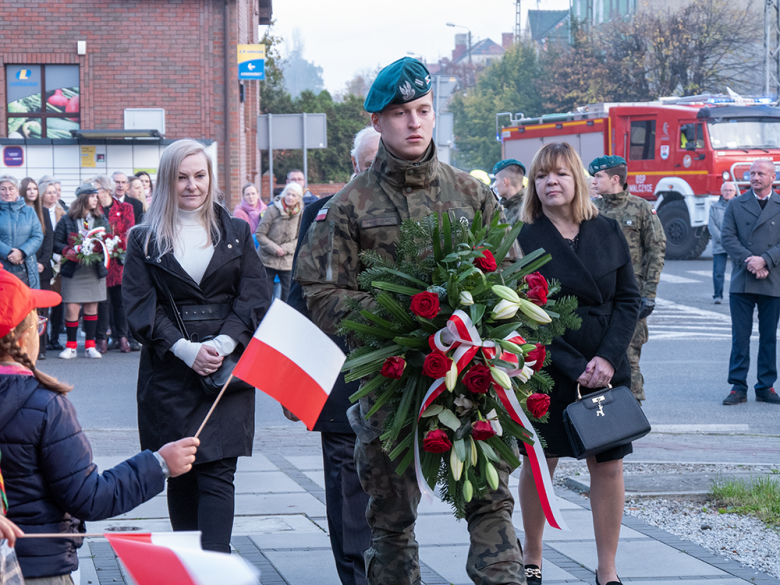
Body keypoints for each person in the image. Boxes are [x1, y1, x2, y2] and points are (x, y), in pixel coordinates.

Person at [294, 57, 524, 585]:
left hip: (469, 380)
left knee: (491, 503)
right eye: (400, 113)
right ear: (377, 122)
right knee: (391, 523)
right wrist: (401, 319)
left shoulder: (471, 194)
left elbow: (509, 278)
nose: (414, 122)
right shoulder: (349, 206)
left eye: (423, 110)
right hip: (391, 384)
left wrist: (478, 327)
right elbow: (321, 295)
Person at [0, 268, 199, 582]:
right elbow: (89, 497)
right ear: (24, 338)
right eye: (39, 324)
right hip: (37, 568)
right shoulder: (46, 406)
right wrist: (159, 463)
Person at [123, 138, 270, 553]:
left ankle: (215, 570)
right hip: (169, 371)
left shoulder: (237, 231)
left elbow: (255, 295)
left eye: (200, 175)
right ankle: (190, 570)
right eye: (182, 177)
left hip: (225, 369)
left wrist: (224, 343)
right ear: (167, 181)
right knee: (181, 473)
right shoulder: (143, 238)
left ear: (211, 178)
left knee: (219, 473)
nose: (192, 185)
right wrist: (186, 349)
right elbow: (139, 308)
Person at [517, 142, 640, 585]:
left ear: (578, 180)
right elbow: (522, 314)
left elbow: (629, 299)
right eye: (543, 175)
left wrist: (607, 358)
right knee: (540, 461)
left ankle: (607, 569)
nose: (552, 182)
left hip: (606, 366)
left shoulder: (606, 229)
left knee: (607, 466)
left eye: (561, 174)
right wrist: (575, 365)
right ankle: (532, 556)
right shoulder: (524, 237)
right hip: (550, 367)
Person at [285, 123, 381, 585]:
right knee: (346, 486)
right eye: (368, 165)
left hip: (399, 374)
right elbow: (298, 298)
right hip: (339, 372)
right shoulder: (319, 215)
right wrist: (289, 382)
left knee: (393, 488)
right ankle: (356, 578)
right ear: (354, 165)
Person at [590, 155, 666, 404]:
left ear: (615, 178)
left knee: (629, 357)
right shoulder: (592, 209)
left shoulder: (641, 208)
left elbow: (656, 250)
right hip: (598, 298)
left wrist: (649, 294)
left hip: (629, 298)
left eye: (598, 176)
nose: (594, 180)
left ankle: (631, 412)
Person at [720, 159, 780, 406]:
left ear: (772, 177)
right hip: (743, 279)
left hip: (773, 279)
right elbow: (727, 238)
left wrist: (765, 260)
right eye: (752, 173)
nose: (755, 177)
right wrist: (750, 261)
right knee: (740, 336)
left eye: (760, 173)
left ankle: (766, 386)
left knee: (768, 337)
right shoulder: (736, 204)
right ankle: (738, 386)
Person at [53, 183, 110, 360]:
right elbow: (56, 243)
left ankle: (90, 346)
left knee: (92, 307)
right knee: (71, 307)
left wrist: (102, 249)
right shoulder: (67, 219)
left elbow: (108, 240)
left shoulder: (101, 219)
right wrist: (68, 250)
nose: (96, 199)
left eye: (96, 196)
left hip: (94, 269)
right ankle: (70, 346)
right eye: (92, 196)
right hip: (73, 268)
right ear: (83, 198)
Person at [93, 176, 135, 354]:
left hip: (118, 263)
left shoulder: (125, 208)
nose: (94, 196)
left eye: (97, 191)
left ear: (107, 191)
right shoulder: (93, 210)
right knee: (102, 302)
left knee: (120, 302)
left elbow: (128, 232)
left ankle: (122, 338)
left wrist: (114, 246)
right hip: (99, 262)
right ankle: (101, 338)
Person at [22, 178, 54, 361]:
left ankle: (40, 347)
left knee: (42, 310)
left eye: (35, 189)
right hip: (23, 267)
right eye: (29, 189)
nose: (32, 192)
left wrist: (43, 261)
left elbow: (48, 240)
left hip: (41, 268)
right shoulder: (19, 212)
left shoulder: (43, 212)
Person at [255, 181, 303, 302]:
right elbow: (260, 234)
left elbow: (300, 237)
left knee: (288, 297)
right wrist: (275, 249)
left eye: (294, 195)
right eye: (288, 194)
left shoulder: (300, 214)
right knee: (265, 296)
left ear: (299, 198)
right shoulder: (271, 210)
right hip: (267, 260)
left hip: (287, 262)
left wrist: (285, 249)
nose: (290, 197)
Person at [1, 175, 43, 290]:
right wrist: (9, 253)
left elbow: (37, 236)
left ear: (17, 190)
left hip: (26, 266)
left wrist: (22, 252)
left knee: (26, 304)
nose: (7, 192)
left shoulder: (29, 211)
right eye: (3, 189)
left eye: (11, 188)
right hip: (2, 267)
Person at [39, 180, 66, 352]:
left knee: (58, 300)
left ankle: (55, 336)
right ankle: (43, 337)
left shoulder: (62, 212)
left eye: (56, 192)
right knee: (43, 302)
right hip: (44, 260)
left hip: (59, 260)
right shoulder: (36, 212)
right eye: (49, 192)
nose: (53, 195)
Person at [710, 182, 739, 305]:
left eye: (730, 190)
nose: (728, 192)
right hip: (719, 244)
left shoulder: (740, 206)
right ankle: (718, 295)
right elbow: (712, 226)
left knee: (738, 272)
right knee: (718, 272)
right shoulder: (714, 207)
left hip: (736, 244)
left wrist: (733, 241)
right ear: (721, 192)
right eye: (725, 190)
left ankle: (736, 294)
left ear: (735, 192)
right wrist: (724, 240)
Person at [493, 159, 526, 226]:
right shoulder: (509, 206)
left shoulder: (525, 210)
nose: (495, 185)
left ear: (504, 182)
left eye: (496, 180)